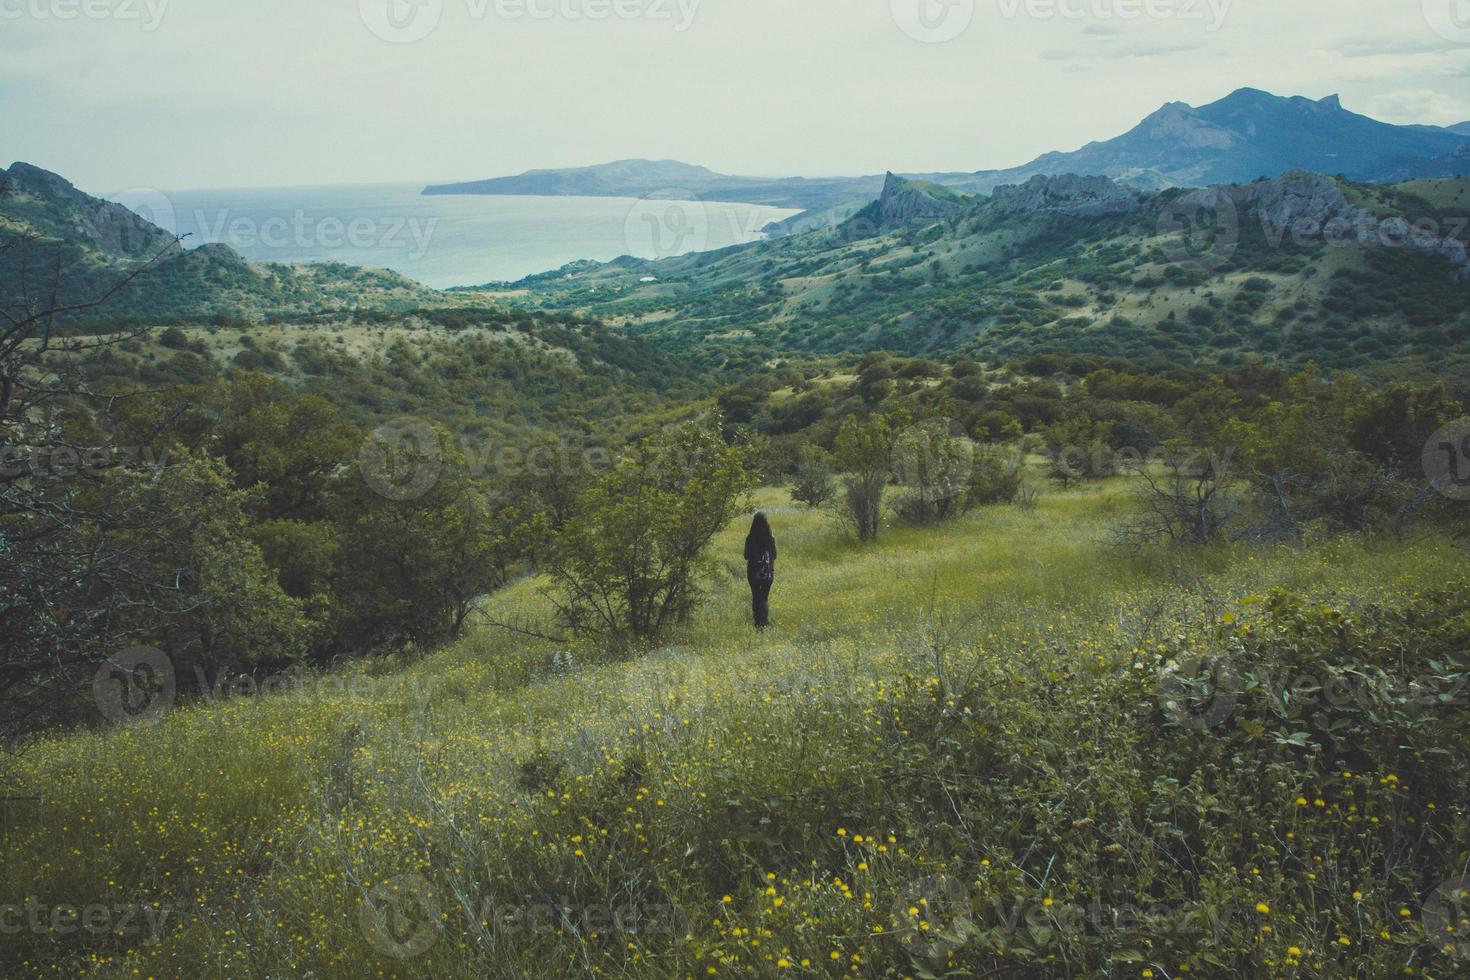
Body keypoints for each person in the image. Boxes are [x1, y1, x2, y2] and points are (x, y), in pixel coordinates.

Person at [744, 513, 776, 629]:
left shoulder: (750, 538)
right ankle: (764, 621)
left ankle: (757, 622)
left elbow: (746, 556)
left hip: (753, 573)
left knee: (756, 597)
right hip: (767, 573)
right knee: (764, 598)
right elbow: (775, 556)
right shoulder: (770, 538)